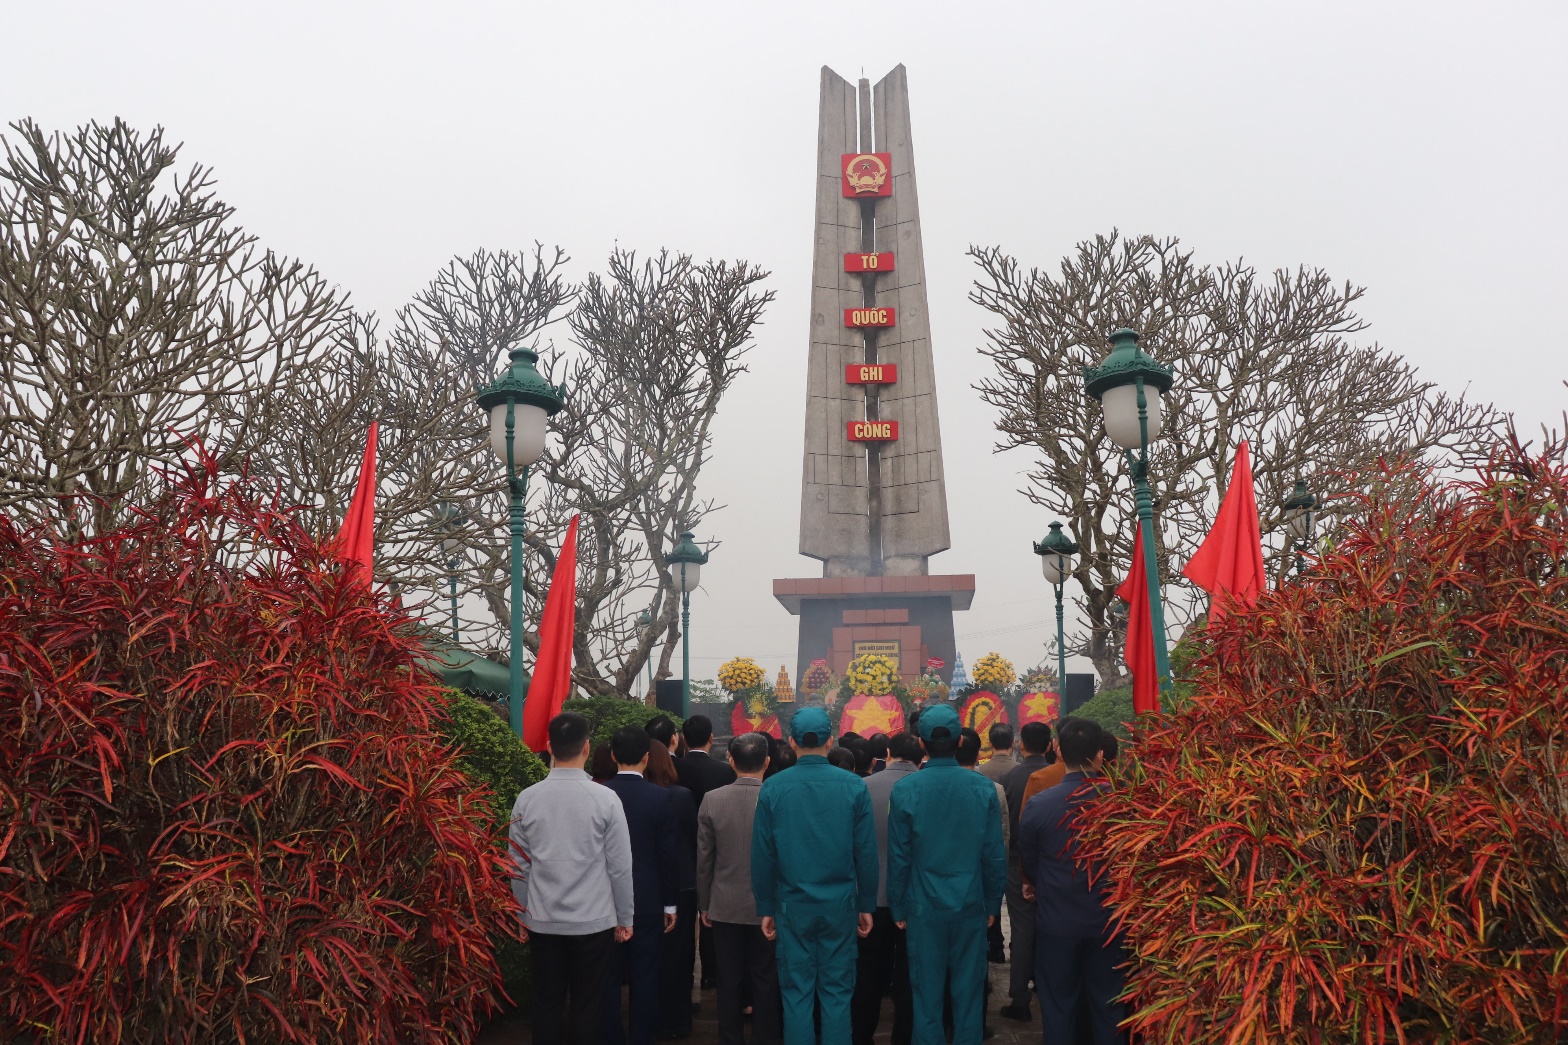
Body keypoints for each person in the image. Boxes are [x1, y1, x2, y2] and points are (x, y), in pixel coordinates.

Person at [751, 707, 878, 1045]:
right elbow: (865, 851)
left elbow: (763, 854)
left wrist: (765, 907)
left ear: (791, 742)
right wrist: (866, 903)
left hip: (792, 906)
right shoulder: (853, 786)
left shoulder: (773, 788)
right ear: (830, 740)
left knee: (796, 993)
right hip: (840, 905)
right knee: (837, 993)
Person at [509, 712, 634, 1045]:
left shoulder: (527, 798)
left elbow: (518, 865)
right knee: (587, 1007)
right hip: (593, 921)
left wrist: (520, 913)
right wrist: (626, 917)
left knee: (546, 1004)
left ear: (550, 747)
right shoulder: (607, 799)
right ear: (587, 748)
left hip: (542, 919)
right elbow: (620, 865)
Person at [886, 706, 1006, 1045]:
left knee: (926, 996)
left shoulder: (906, 790)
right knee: (969, 993)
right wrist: (993, 903)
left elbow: (899, 856)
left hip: (923, 908)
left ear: (922, 743)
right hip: (970, 905)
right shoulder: (983, 789)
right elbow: (994, 853)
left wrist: (897, 905)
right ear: (958, 741)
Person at [1018, 717, 1124, 1045]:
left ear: (1058, 750)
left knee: (1058, 1006)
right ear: (1101, 755)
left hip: (1057, 921)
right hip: (1110, 921)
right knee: (1109, 1005)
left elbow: (1030, 862)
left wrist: (1041, 886)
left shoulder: (1039, 804)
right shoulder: (1122, 802)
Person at [697, 733, 782, 1045]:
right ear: (767, 762)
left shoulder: (713, 799)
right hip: (769, 907)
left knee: (728, 980)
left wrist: (704, 904)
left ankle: (730, 1038)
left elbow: (704, 860)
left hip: (725, 903)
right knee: (766, 978)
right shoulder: (778, 797)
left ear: (730, 761)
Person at [601, 727, 680, 1045]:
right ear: (647, 758)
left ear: (613, 756)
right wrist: (670, 904)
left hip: (604, 899)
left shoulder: (600, 794)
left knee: (607, 978)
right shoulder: (662, 798)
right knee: (646, 976)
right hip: (648, 898)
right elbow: (668, 856)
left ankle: (609, 1037)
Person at [852, 731, 920, 1045]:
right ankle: (903, 1035)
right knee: (909, 974)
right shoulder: (925, 788)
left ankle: (862, 1034)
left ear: (888, 753)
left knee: (867, 973)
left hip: (870, 897)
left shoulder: (862, 787)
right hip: (914, 897)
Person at [998, 721, 1054, 1021]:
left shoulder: (1009, 778)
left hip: (1016, 862)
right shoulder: (1059, 776)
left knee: (1021, 930)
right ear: (1049, 746)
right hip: (1055, 864)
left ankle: (1019, 998)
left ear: (1022, 745)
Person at [647, 742, 700, 1040]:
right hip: (682, 882)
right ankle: (677, 1019)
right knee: (680, 955)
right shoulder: (681, 796)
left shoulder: (641, 796)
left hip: (649, 884)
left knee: (651, 954)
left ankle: (651, 1014)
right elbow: (694, 839)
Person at [957, 728, 1010, 969]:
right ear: (979, 753)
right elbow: (1001, 841)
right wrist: (994, 896)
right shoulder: (992, 790)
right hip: (977, 885)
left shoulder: (915, 786)